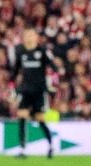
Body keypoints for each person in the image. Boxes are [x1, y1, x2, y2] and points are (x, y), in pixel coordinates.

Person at [10, 29, 62, 158]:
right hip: (25, 90)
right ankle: (22, 149)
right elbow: (15, 71)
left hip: (39, 91)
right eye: (26, 35)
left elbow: (54, 68)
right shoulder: (20, 51)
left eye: (31, 35)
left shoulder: (42, 51)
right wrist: (12, 88)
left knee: (40, 119)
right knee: (22, 116)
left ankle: (51, 145)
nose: (28, 37)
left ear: (36, 37)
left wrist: (53, 82)